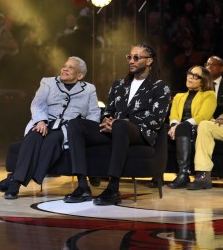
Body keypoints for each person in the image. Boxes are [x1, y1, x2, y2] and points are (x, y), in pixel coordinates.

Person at [63, 43, 171, 205]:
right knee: (75, 125)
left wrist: (118, 123)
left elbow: (156, 118)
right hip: (115, 129)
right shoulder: (119, 85)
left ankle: (113, 188)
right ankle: (82, 185)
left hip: (140, 132)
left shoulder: (160, 87)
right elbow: (109, 110)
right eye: (129, 57)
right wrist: (107, 119)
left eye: (136, 57)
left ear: (149, 61)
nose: (131, 61)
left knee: (120, 125)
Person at [0, 56, 101, 199]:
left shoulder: (89, 89)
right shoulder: (48, 82)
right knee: (33, 137)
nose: (65, 69)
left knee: (53, 140)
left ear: (80, 75)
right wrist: (40, 121)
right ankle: (15, 182)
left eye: (71, 67)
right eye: (64, 65)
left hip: (68, 127)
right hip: (46, 122)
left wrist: (85, 130)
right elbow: (37, 104)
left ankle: (14, 181)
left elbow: (94, 113)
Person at [167, 65, 216, 188]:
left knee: (184, 128)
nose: (190, 77)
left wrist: (181, 126)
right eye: (189, 73)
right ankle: (156, 175)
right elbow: (173, 115)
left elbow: (203, 116)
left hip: (197, 128)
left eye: (195, 76)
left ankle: (183, 173)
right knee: (162, 129)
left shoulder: (209, 95)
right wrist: (174, 125)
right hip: (179, 128)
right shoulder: (179, 96)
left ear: (202, 81)